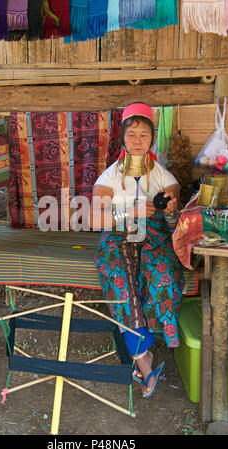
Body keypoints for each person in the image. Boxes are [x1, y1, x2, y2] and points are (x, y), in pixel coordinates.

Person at [91, 102, 184, 398]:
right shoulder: (110, 176)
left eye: (144, 134)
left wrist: (169, 208)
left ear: (152, 138)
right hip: (117, 237)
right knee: (121, 281)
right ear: (123, 137)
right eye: (132, 134)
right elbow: (95, 217)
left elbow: (173, 217)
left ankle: (143, 356)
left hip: (153, 238)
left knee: (160, 274)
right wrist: (128, 212)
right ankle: (144, 360)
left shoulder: (161, 174)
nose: (138, 140)